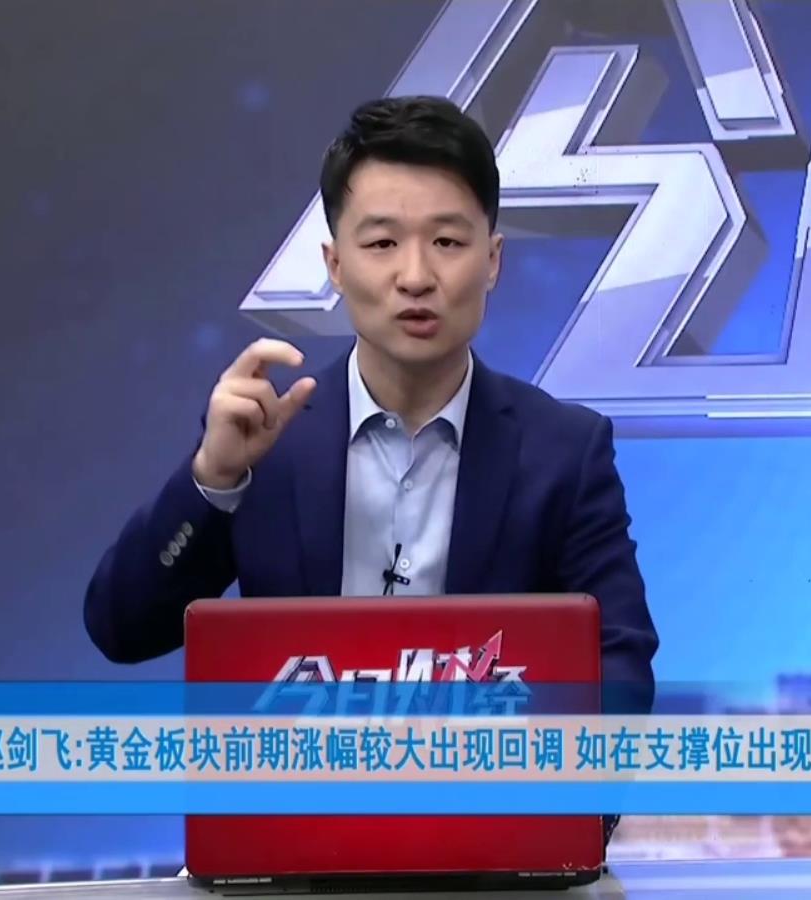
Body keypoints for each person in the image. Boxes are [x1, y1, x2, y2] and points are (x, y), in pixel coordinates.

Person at [83, 95, 659, 720]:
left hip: (487, 777)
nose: (415, 276)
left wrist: (530, 777)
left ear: (492, 261)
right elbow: (122, 630)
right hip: (298, 779)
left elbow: (620, 670)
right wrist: (214, 480)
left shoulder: (564, 452)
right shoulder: (267, 440)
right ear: (335, 265)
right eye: (382, 243)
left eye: (446, 241)